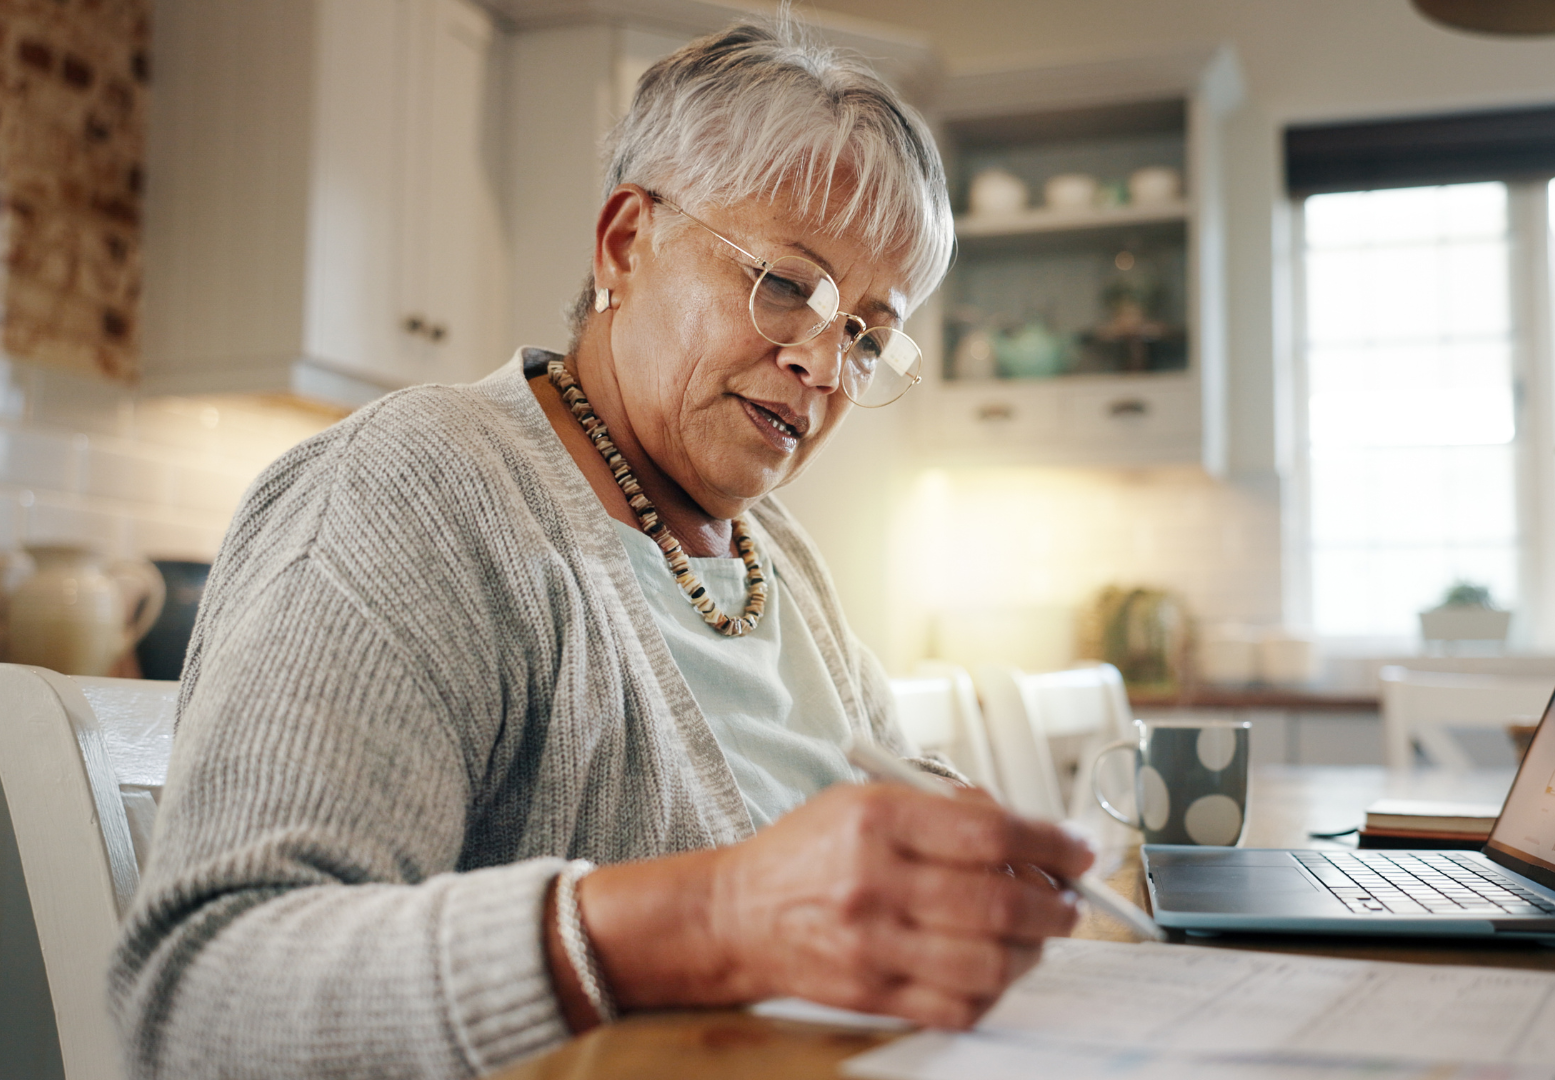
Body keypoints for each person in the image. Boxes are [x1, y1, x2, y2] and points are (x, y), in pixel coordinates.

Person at [110, 20, 1093, 1079]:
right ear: (626, 243)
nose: (822, 362)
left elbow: (846, 791)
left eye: (864, 332)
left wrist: (950, 856)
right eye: (789, 286)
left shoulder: (782, 561)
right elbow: (204, 995)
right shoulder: (416, 491)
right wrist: (712, 920)